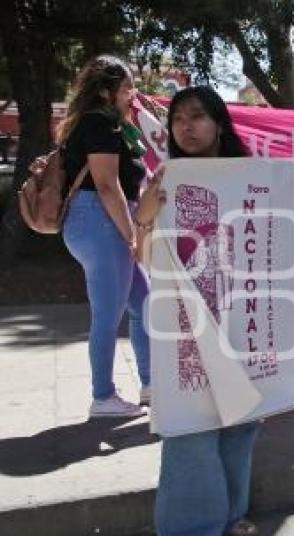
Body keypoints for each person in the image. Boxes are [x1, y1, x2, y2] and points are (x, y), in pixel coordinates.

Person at [133, 85, 294, 536]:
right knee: (190, 422)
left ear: (219, 123)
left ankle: (229, 514)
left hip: (242, 316)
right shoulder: (163, 181)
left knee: (239, 421)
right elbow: (146, 258)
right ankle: (189, 535)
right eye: (177, 120)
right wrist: (146, 216)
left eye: (196, 117)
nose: (185, 127)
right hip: (185, 326)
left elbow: (285, 230)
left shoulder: (257, 176)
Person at [57, 55, 149, 418]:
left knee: (143, 304)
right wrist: (132, 235)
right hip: (101, 220)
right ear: (107, 91)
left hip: (98, 219)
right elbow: (108, 185)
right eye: (127, 87)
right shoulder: (100, 124)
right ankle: (103, 396)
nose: (132, 94)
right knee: (108, 316)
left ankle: (152, 385)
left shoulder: (106, 123)